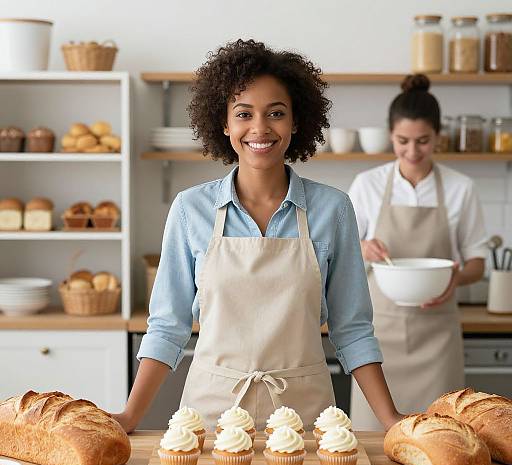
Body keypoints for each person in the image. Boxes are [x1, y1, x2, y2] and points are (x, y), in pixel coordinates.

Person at [113, 39, 402, 433]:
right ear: (225, 123)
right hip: (210, 417)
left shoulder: (333, 210)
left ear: (296, 121)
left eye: (276, 113)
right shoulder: (190, 209)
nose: (260, 128)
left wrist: (391, 420)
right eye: (244, 113)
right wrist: (130, 416)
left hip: (307, 420)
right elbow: (168, 326)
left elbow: (351, 329)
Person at [348, 74, 487, 431]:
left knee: (444, 435)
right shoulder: (368, 185)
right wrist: (361, 246)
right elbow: (340, 252)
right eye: (402, 141)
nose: (412, 152)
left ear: (438, 136)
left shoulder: (461, 188)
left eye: (423, 141)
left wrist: (457, 275)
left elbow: (477, 263)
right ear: (390, 135)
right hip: (377, 339)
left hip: (437, 338)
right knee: (374, 442)